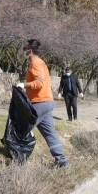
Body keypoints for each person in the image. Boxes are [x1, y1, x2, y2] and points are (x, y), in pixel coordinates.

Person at [16, 39, 68, 168]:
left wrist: (24, 85)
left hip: (39, 103)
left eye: (25, 48)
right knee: (50, 134)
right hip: (47, 102)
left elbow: (40, 83)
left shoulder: (35, 62)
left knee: (22, 129)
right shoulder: (40, 62)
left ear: (30, 50)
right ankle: (62, 162)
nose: (24, 50)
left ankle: (17, 159)